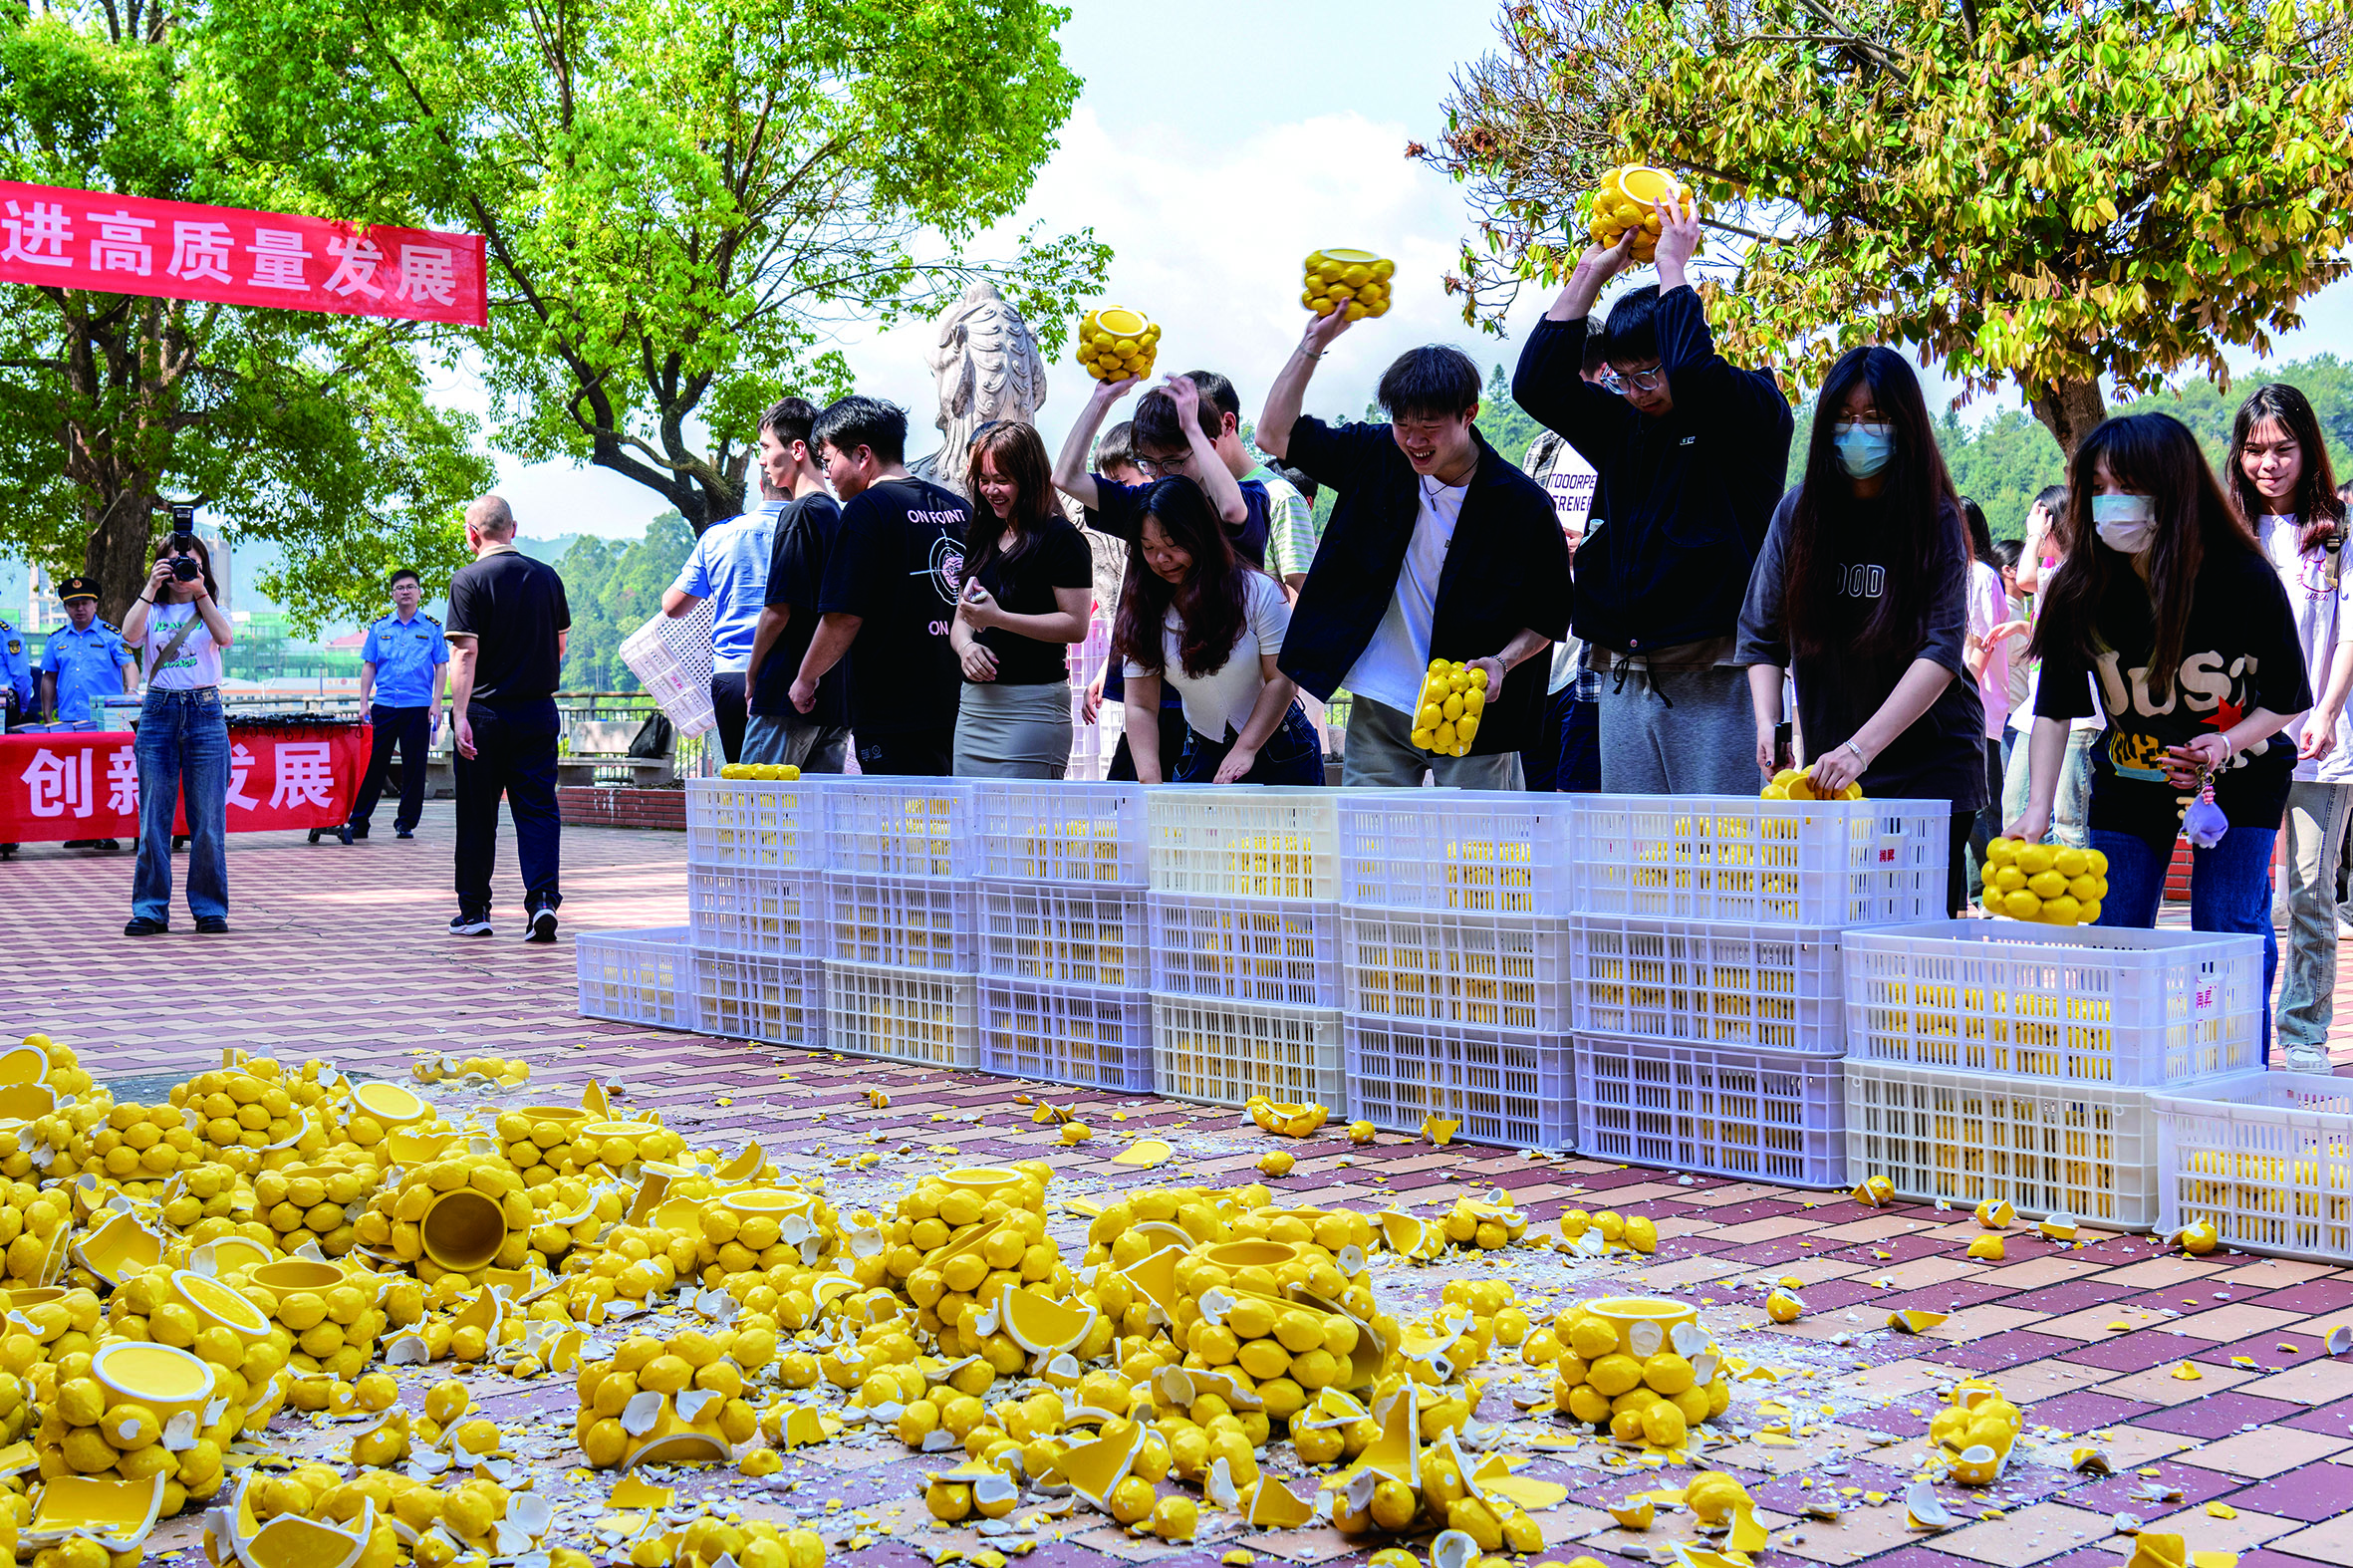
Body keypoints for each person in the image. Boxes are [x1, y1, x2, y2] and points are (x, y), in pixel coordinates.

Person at [2007, 412, 2310, 1060]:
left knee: (2224, 931)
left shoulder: (2242, 578)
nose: (2112, 505)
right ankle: (2123, 1081)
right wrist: (2036, 810)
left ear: (2175, 492)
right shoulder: (2080, 588)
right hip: (2130, 777)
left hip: (2238, 777)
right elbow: (2055, 709)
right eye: (2100, 489)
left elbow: (2289, 696)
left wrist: (2225, 745)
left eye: (2130, 488)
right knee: (2116, 934)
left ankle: (2236, 1077)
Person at [1511, 192, 1795, 795]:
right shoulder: (1621, 428)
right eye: (1623, 376)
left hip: (1716, 674)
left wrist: (1673, 267)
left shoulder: (1750, 413)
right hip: (1623, 674)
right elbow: (1535, 384)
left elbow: (1694, 373)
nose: (1637, 391)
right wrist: (1592, 272)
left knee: (1728, 856)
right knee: (1640, 862)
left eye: (1650, 373)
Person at [1258, 328, 1569, 789]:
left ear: (1469, 415)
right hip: (1379, 702)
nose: (1414, 441)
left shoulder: (1522, 507)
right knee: (1370, 844)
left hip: (1470, 708)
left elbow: (1546, 617)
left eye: (1429, 427)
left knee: (1480, 850)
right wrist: (1313, 340)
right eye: (1403, 425)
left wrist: (1501, 664)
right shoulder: (1374, 455)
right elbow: (1272, 433)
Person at [1737, 347, 1986, 915]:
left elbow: (1941, 653)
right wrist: (1768, 724)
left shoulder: (1936, 518)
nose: (1858, 432)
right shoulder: (1798, 513)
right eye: (1844, 418)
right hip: (1832, 768)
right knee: (1835, 922)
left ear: (1906, 425)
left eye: (1875, 418)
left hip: (1927, 762)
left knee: (1912, 938)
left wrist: (1860, 749)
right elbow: (1760, 635)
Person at [2227, 385, 2351, 1072]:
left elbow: (2347, 632)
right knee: (2240, 894)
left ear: (2309, 450)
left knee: (2308, 892)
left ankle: (2302, 1037)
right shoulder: (2224, 529)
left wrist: (2328, 711)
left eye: (2282, 449)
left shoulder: (2338, 531)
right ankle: (2236, 1032)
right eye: (2254, 450)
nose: (2268, 464)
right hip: (2235, 742)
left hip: (2316, 744)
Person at [1056, 376, 1262, 782]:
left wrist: (1193, 431)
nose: (1161, 474)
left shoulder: (1249, 499)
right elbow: (1066, 478)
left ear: (1210, 443)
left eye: (1174, 461)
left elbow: (1233, 513)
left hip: (1221, 710)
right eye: (1150, 463)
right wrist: (1100, 400)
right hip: (1154, 701)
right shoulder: (1145, 502)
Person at [788, 396, 968, 775]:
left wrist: (806, 678)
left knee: (907, 824)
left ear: (862, 455)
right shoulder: (959, 507)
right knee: (953, 821)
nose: (828, 474)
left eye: (828, 460)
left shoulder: (866, 510)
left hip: (896, 707)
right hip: (964, 702)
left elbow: (843, 616)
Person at [1115, 477, 1322, 784]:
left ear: (1201, 535)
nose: (1161, 559)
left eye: (1173, 545)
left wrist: (1245, 748)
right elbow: (1141, 705)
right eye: (1149, 548)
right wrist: (1149, 782)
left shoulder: (1259, 591)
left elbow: (1282, 680)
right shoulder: (1143, 610)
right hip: (1202, 748)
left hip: (1282, 746)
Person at [445, 495, 570, 942]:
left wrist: (459, 715)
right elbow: (559, 646)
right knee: (538, 809)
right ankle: (541, 902)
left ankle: (475, 910)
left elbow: (464, 652)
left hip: (486, 713)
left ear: (471, 533)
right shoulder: (547, 578)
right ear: (513, 528)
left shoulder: (468, 580)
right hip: (538, 709)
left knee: (478, 813)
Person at [949, 423, 1091, 778]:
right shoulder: (983, 533)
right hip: (974, 710)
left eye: (1002, 479)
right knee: (974, 825)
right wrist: (966, 649)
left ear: (1030, 477)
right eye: (983, 480)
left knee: (1023, 828)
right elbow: (962, 619)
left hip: (1034, 710)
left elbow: (1076, 626)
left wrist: (999, 618)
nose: (990, 490)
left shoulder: (1060, 537)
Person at [121, 534, 235, 935]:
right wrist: (151, 587)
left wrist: (200, 591)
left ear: (203, 567)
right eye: (172, 563)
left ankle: (209, 908)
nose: (181, 570)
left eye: (191, 562)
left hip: (205, 710)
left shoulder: (212, 608)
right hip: (159, 710)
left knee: (207, 819)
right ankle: (150, 909)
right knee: (154, 817)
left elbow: (224, 638)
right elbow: (128, 637)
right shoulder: (151, 609)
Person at [743, 396, 851, 772]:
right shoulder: (838, 514)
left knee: (757, 817)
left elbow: (777, 611)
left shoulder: (798, 514)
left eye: (766, 447)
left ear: (798, 449)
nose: (761, 459)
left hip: (786, 693)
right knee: (815, 822)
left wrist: (752, 673)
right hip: (834, 696)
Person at [663, 463, 781, 766]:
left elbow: (672, 606)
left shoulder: (719, 536)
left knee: (748, 789)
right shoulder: (819, 528)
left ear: (760, 484)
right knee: (804, 790)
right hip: (797, 673)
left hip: (734, 674)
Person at [341, 568, 448, 844]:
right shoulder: (380, 628)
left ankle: (406, 822)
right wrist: (364, 703)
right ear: (393, 593)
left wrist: (437, 703)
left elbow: (441, 667)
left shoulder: (432, 627)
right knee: (373, 764)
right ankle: (359, 820)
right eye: (400, 588)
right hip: (385, 705)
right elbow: (369, 666)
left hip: (418, 707)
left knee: (414, 766)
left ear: (419, 592)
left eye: (411, 587)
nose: (405, 592)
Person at [1961, 500, 2029, 907]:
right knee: (1967, 808)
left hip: (1978, 710)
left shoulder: (1981, 575)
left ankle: (1998, 891)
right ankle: (1976, 891)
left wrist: (1956, 692)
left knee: (1985, 806)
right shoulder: (1942, 572)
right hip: (1954, 710)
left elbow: (1982, 646)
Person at [35, 577, 136, 851]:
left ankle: (106, 832)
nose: (79, 609)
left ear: (95, 604)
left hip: (105, 721)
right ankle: (81, 831)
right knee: (76, 777)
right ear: (66, 608)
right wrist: (47, 716)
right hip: (70, 719)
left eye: (85, 603)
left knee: (104, 776)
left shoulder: (111, 635)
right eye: (73, 604)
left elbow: (129, 665)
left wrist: (132, 691)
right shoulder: (56, 640)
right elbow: (48, 678)